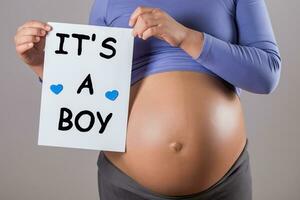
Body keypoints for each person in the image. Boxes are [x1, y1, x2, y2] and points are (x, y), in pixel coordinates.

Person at [14, 0, 281, 199]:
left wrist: (187, 37)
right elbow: (90, 91)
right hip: (128, 183)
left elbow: (266, 75)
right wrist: (42, 66)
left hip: (223, 182)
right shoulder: (108, 2)